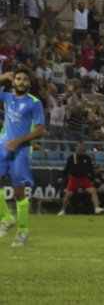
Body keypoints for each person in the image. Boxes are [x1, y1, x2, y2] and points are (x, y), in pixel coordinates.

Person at [0, 69, 46, 246]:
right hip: (3, 146)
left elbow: (40, 131)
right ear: (14, 82)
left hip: (22, 150)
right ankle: (6, 218)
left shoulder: (34, 103)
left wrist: (18, 141)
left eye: (24, 79)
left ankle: (22, 231)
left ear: (29, 83)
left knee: (19, 192)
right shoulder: (8, 98)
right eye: (18, 79)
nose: (21, 82)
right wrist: (5, 76)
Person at [57, 142, 104, 216]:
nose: (80, 148)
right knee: (68, 194)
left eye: (82, 147)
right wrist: (62, 177)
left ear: (84, 148)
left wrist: (93, 178)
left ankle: (96, 208)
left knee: (93, 191)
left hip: (84, 179)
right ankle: (62, 210)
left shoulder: (87, 158)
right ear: (76, 148)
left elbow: (90, 170)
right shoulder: (72, 157)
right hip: (74, 179)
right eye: (79, 147)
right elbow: (66, 168)